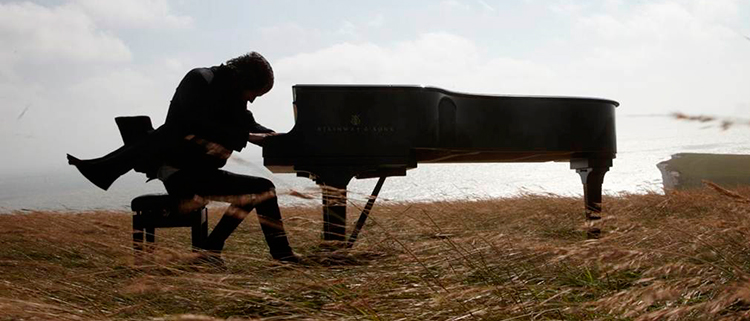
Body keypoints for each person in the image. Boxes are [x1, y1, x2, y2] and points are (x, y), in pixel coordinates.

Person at [69, 52, 298, 264]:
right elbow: (194, 124)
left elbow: (248, 123)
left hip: (202, 172)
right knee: (261, 188)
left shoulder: (231, 93)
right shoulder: (199, 80)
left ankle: (215, 251)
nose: (252, 100)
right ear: (243, 80)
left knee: (260, 189)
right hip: (179, 173)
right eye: (254, 94)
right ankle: (272, 255)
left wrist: (275, 137)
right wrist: (247, 136)